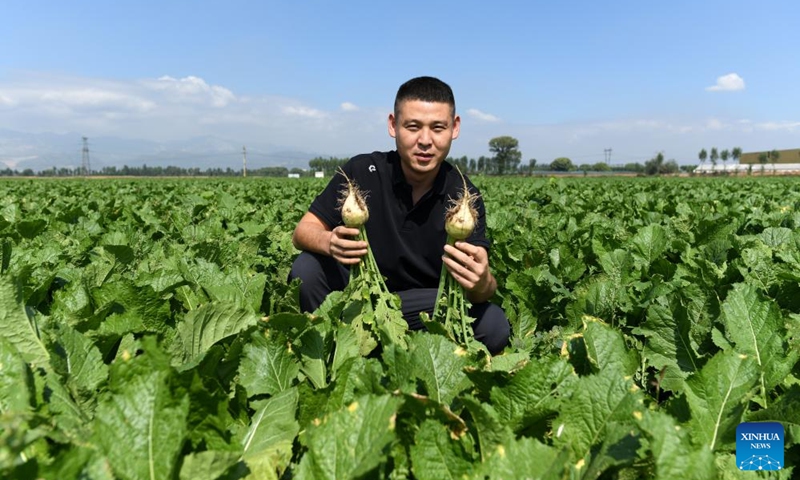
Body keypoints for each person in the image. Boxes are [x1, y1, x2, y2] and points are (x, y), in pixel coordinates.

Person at [289, 76, 510, 354]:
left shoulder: (464, 194)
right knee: (306, 270)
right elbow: (302, 232)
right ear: (393, 125)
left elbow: (479, 290)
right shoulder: (361, 171)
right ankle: (338, 346)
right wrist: (328, 242)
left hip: (420, 307)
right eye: (413, 126)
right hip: (360, 294)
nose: (425, 141)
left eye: (438, 128)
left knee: (493, 324)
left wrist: (483, 281)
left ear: (454, 128)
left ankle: (371, 349)